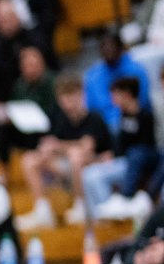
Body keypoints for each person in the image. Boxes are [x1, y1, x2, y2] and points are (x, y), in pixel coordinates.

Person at [16, 73, 114, 230]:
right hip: (66, 167)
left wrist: (58, 146)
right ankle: (42, 211)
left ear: (81, 95)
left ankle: (80, 205)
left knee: (75, 155)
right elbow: (52, 143)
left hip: (96, 163)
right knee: (30, 159)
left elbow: (86, 147)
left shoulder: (93, 118)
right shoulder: (59, 118)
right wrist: (47, 149)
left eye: (71, 96)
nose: (68, 102)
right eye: (64, 98)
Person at [86, 76, 160, 221]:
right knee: (91, 174)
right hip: (128, 161)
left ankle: (126, 197)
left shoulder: (146, 115)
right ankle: (103, 217)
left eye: (114, 94)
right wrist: (111, 155)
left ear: (126, 94)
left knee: (136, 152)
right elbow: (120, 146)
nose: (112, 99)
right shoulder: (123, 116)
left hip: (146, 159)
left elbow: (150, 143)